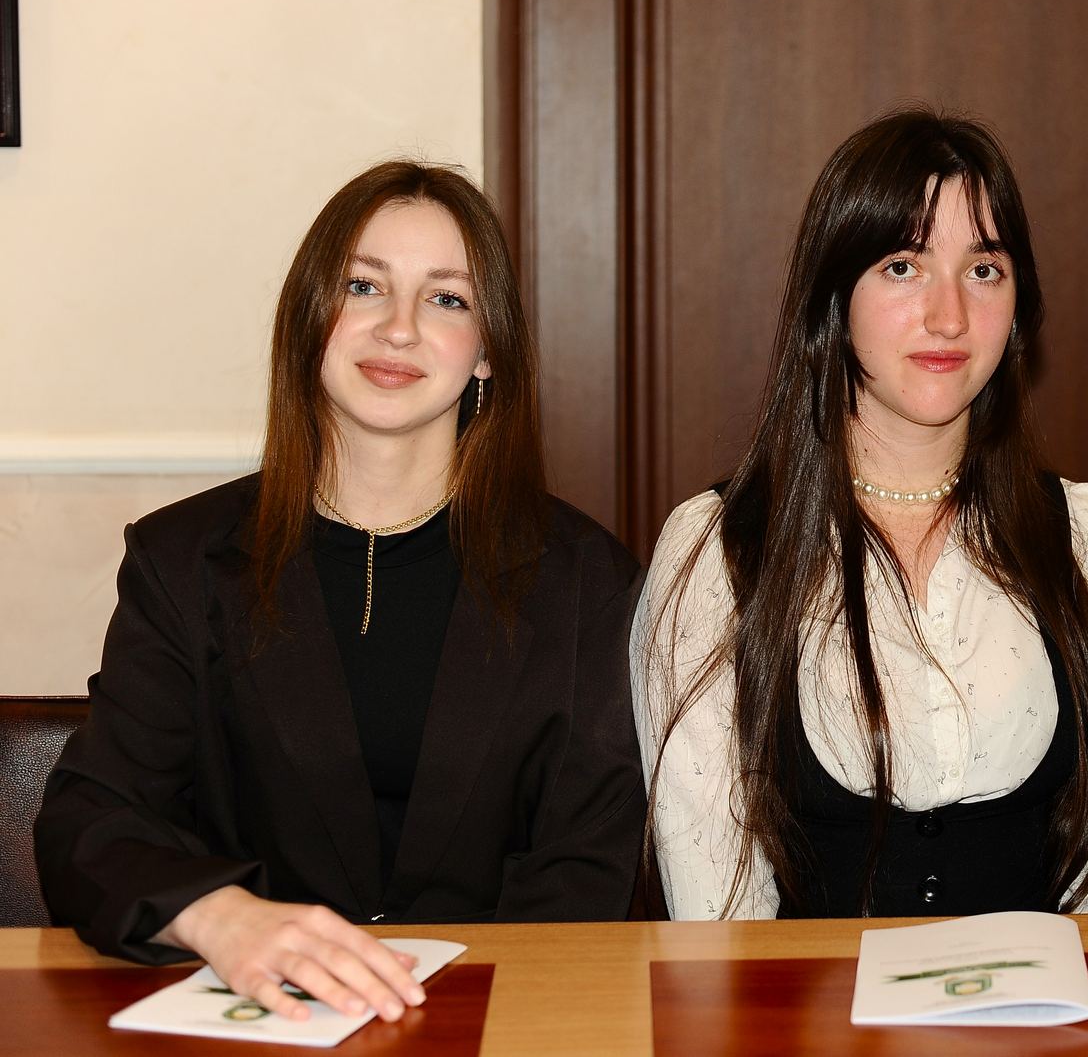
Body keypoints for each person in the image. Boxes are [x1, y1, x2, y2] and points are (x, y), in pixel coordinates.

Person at [36, 162, 645, 1021]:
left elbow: (588, 862)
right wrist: (220, 917)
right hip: (254, 1017)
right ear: (309, 320)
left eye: (446, 299)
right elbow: (93, 818)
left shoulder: (585, 576)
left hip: (501, 1014)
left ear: (488, 354)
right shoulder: (182, 560)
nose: (398, 328)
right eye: (364, 286)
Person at [632, 109, 1088, 920]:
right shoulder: (718, 551)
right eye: (903, 266)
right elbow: (715, 916)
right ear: (834, 297)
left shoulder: (1083, 535)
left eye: (984, 269)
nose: (950, 316)